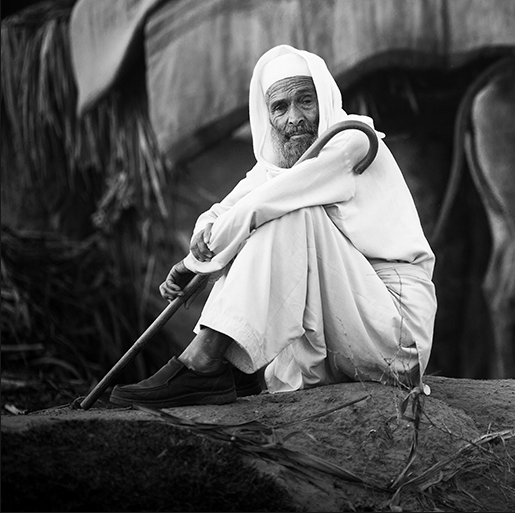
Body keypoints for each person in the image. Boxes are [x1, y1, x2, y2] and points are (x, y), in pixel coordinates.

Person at [110, 45, 437, 408]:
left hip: (392, 330)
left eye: (305, 101)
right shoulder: (279, 166)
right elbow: (227, 209)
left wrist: (197, 265)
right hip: (339, 331)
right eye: (280, 108)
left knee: (291, 213)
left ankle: (204, 361)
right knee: (262, 215)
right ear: (268, 117)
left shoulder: (353, 141)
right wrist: (203, 238)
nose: (294, 118)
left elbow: (264, 204)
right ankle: (236, 364)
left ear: (324, 99)